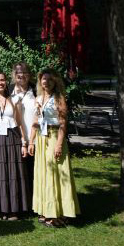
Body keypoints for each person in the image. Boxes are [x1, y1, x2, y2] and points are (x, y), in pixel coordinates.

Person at [30, 69, 80, 227]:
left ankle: (60, 213)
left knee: (56, 174)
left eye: (49, 80)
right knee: (44, 174)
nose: (46, 82)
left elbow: (63, 124)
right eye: (43, 79)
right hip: (41, 138)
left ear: (55, 82)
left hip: (54, 137)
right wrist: (31, 142)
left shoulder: (59, 98)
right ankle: (46, 210)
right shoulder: (38, 98)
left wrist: (59, 144)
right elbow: (35, 121)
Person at [0, 71, 30, 220]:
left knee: (14, 173)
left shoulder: (14, 99)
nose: (0, 83)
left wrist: (23, 142)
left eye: (2, 80)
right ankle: (1, 209)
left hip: (13, 138)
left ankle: (14, 209)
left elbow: (20, 122)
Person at [11, 62, 37, 201]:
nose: (21, 75)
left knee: (34, 171)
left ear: (29, 74)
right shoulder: (8, 91)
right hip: (16, 138)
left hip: (35, 137)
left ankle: (35, 200)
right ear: (14, 75)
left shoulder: (36, 90)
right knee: (20, 172)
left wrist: (30, 141)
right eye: (18, 73)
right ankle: (23, 201)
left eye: (24, 72)